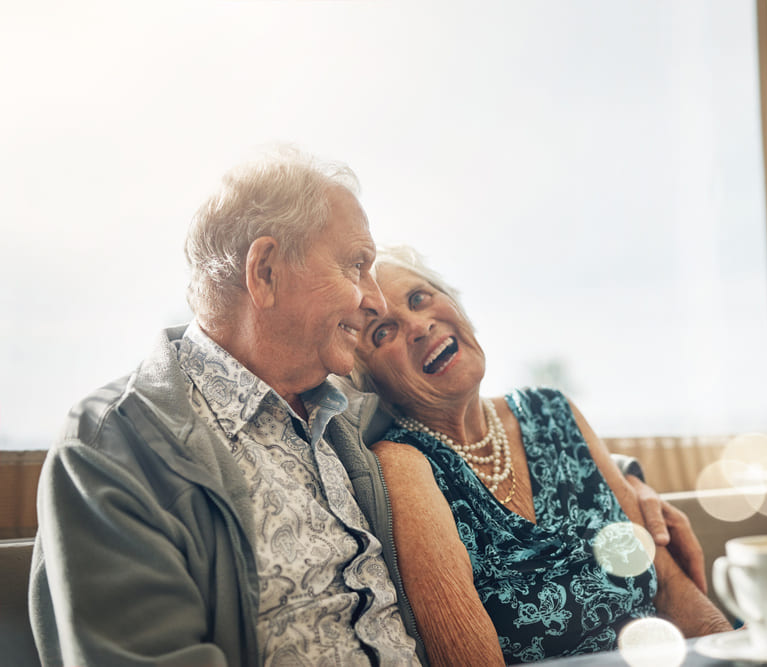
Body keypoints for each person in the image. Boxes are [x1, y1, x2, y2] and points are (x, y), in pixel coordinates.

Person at [28, 145, 697, 667]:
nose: (373, 299)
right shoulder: (114, 447)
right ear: (263, 272)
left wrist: (626, 482)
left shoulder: (339, 417)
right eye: (355, 265)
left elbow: (469, 428)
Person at [351, 245, 732, 666]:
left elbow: (669, 587)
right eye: (382, 332)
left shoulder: (553, 411)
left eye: (419, 298)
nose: (419, 325)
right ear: (370, 381)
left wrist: (736, 651)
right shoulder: (404, 465)